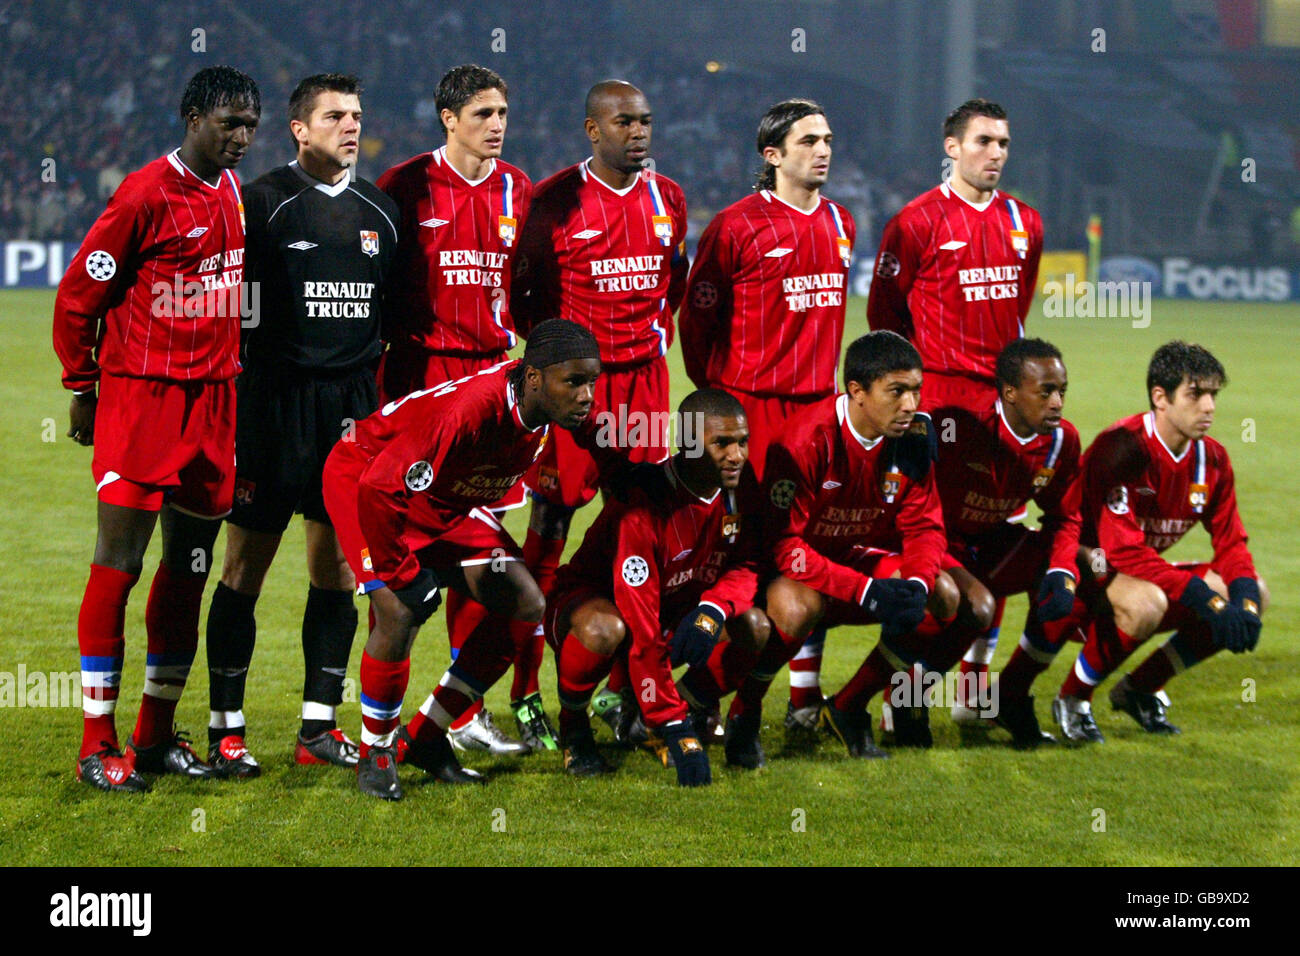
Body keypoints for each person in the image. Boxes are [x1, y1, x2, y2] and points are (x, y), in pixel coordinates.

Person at [321, 320, 648, 800]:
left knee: (526, 602)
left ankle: (427, 737)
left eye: (591, 382)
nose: (585, 395)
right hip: (366, 479)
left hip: (442, 499)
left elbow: (606, 450)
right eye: (575, 383)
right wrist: (400, 573)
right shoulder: (473, 409)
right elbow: (381, 485)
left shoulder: (551, 407)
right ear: (533, 377)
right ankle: (377, 751)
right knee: (399, 609)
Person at [53, 66, 261, 792]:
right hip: (146, 404)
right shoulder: (144, 193)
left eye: (249, 126)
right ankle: (94, 742)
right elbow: (79, 294)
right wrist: (82, 387)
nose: (241, 137)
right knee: (120, 560)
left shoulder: (232, 189)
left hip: (213, 406)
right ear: (192, 117)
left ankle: (152, 735)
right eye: (229, 123)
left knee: (189, 569)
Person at [803, 98, 1045, 721]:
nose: (995, 153)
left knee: (989, 540)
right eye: (984, 141)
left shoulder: (1026, 222)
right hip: (936, 410)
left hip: (1000, 413)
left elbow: (1021, 308)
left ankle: (970, 690)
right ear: (952, 147)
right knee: (927, 547)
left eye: (1003, 143)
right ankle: (846, 696)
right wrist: (915, 399)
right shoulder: (916, 222)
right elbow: (885, 317)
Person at [201, 73, 399, 777]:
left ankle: (319, 727)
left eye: (357, 114)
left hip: (350, 413)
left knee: (337, 570)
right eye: (336, 115)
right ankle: (227, 727)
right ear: (300, 128)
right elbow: (227, 308)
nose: (351, 125)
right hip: (273, 403)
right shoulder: (261, 204)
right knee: (243, 568)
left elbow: (395, 323)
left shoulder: (382, 212)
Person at [678, 332, 953, 767]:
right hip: (797, 568)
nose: (910, 404)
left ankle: (849, 707)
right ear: (857, 392)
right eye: (897, 391)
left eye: (916, 390)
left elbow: (924, 523)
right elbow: (786, 547)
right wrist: (865, 591)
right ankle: (743, 713)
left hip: (855, 556)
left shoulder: (912, 437)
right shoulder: (806, 440)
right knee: (792, 608)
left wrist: (917, 581)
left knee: (943, 596)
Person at [510, 79, 688, 749]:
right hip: (575, 391)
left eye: (644, 120)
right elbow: (524, 298)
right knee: (550, 528)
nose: (637, 132)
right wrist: (562, 365)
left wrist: (648, 347)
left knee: (641, 531)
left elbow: (673, 283)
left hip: (642, 388)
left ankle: (628, 689)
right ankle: (526, 691)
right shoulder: (553, 202)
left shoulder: (668, 198)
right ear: (592, 130)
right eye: (623, 122)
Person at [678, 98, 855, 730]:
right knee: (734, 559)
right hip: (749, 415)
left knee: (805, 559)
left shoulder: (842, 223)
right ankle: (677, 693)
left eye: (828, 137)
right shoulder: (735, 226)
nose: (824, 149)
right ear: (773, 155)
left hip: (817, 417)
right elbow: (696, 320)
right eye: (809, 140)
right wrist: (722, 398)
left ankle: (773, 702)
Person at [376, 63, 534, 755]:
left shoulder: (518, 189)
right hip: (421, 382)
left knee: (486, 543)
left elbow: (527, 289)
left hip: (495, 386)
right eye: (482, 114)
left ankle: (458, 710)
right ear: (448, 117)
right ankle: (376, 726)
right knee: (415, 550)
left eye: (502, 113)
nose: (496, 125)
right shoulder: (404, 186)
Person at [1030, 342, 1267, 743]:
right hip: (1088, 564)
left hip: (1138, 570)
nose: (1209, 406)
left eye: (1213, 395)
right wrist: (1203, 599)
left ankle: (1140, 689)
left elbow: (1231, 542)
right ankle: (1073, 699)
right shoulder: (1122, 448)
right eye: (1196, 394)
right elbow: (1120, 550)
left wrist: (1243, 600)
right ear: (1161, 396)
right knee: (1148, 603)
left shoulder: (1213, 460)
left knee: (1252, 590)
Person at [543, 389, 767, 786]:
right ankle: (574, 725)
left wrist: (713, 609)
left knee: (754, 627)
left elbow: (747, 565)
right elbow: (640, 626)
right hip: (595, 607)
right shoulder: (644, 508)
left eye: (742, 442)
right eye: (722, 443)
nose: (737, 455)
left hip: (671, 607)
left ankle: (667, 708)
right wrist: (675, 728)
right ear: (689, 444)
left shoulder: (740, 488)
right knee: (605, 630)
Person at [914, 338, 1083, 749]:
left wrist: (1062, 572)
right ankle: (908, 699)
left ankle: (1009, 694)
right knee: (978, 606)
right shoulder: (956, 425)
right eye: (1046, 392)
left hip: (993, 542)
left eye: (1062, 391)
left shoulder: (1062, 442)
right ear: (1009, 392)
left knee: (1089, 570)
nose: (1057, 402)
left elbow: (1065, 517)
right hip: (941, 544)